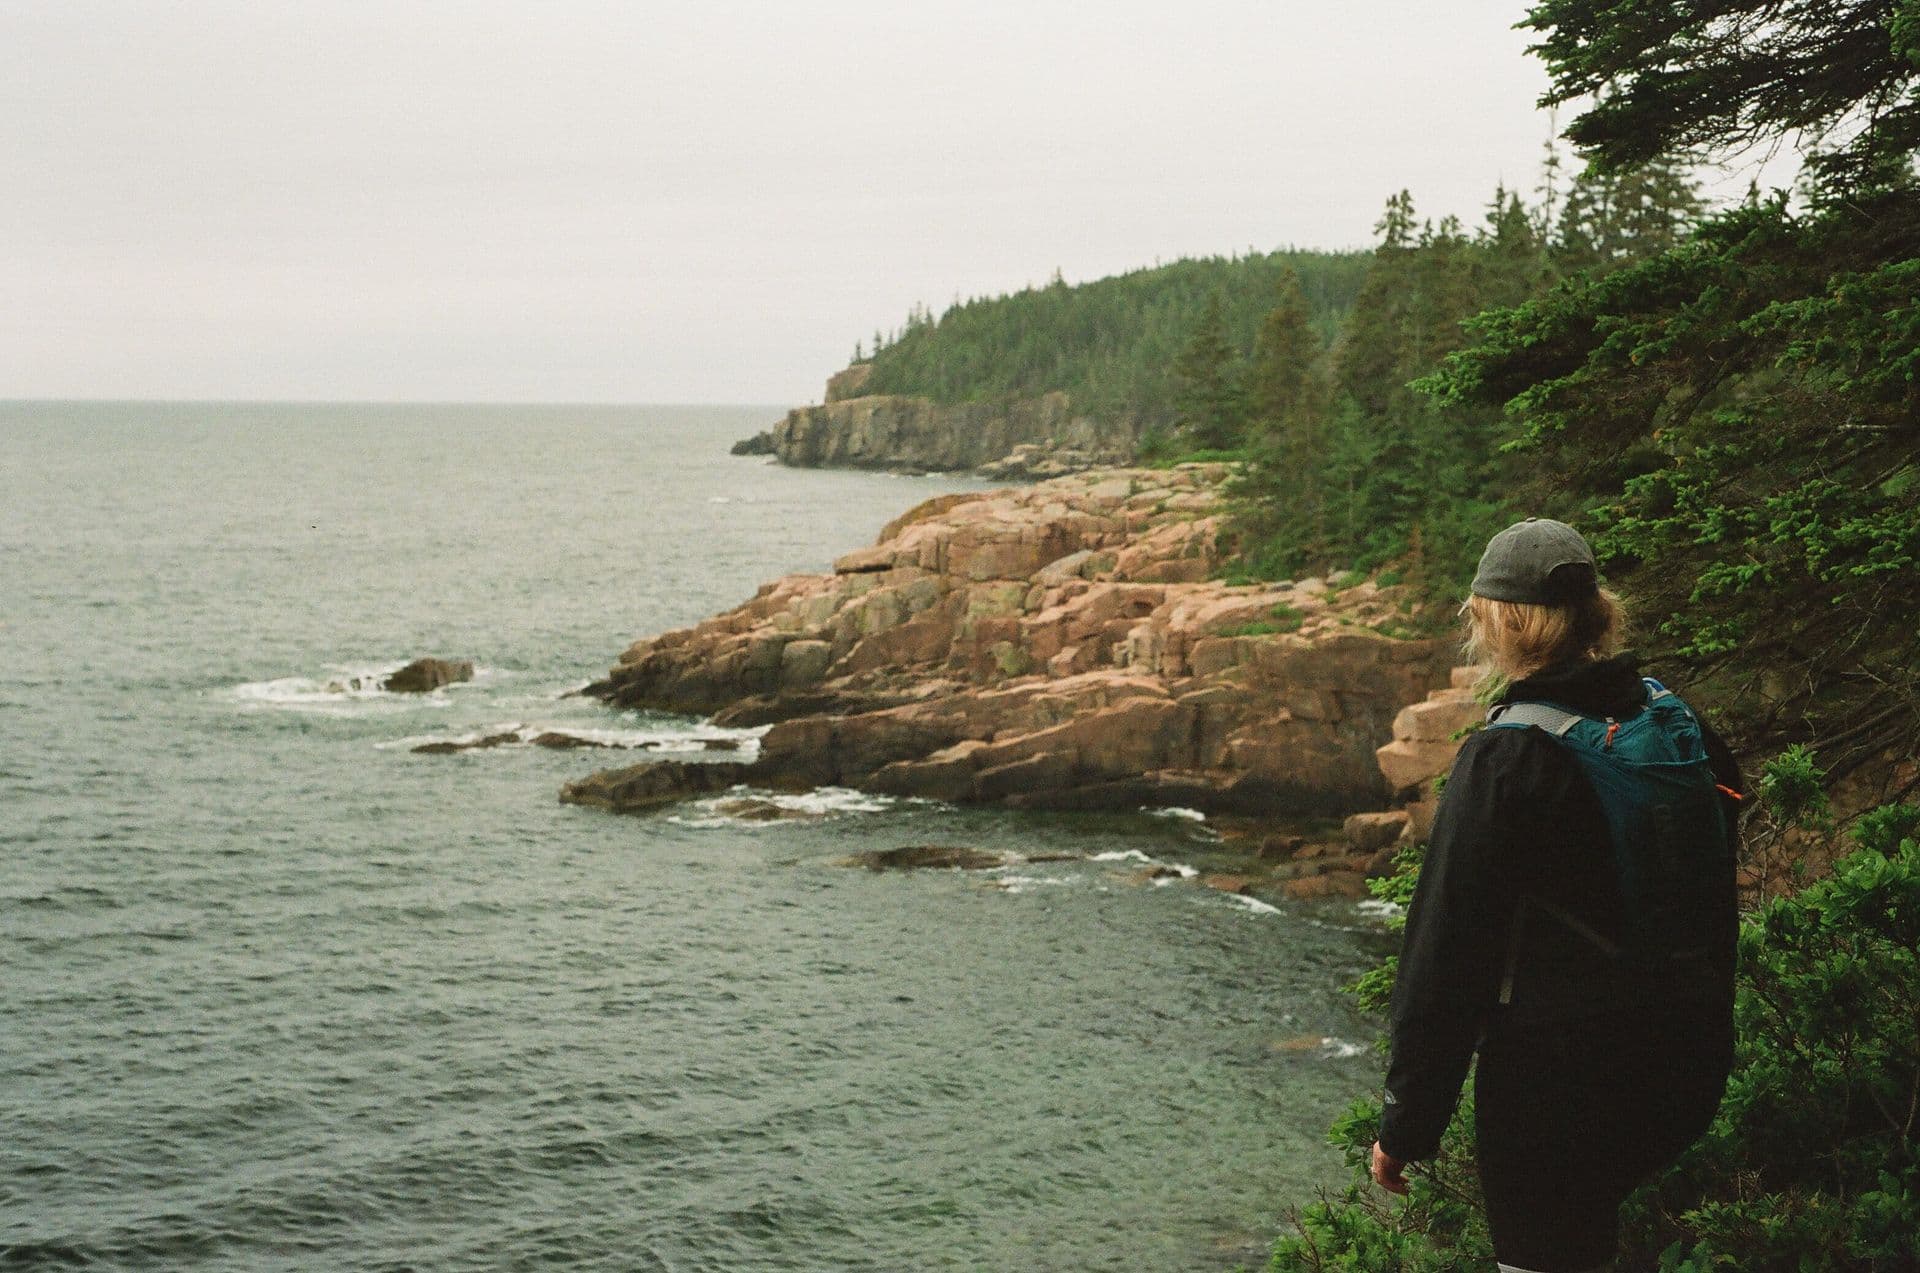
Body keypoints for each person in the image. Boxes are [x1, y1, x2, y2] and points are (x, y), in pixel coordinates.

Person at [1367, 518, 1743, 1273]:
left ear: (1502, 622)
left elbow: (1447, 950)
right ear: (1595, 611)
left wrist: (1407, 1123)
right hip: (1682, 1059)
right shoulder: (1670, 715)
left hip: (1555, 1085)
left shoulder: (1507, 756)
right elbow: (1719, 832)